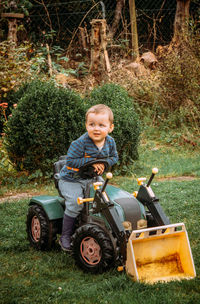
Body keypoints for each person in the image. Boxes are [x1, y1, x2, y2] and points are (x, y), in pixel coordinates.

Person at [58, 104, 118, 251]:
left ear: (110, 128)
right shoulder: (79, 143)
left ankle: (108, 227)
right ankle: (65, 236)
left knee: (106, 198)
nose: (96, 128)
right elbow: (71, 161)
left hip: (93, 179)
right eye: (92, 124)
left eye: (101, 125)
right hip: (71, 179)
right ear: (86, 126)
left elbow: (114, 157)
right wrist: (92, 162)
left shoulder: (110, 142)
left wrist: (104, 164)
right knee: (75, 203)